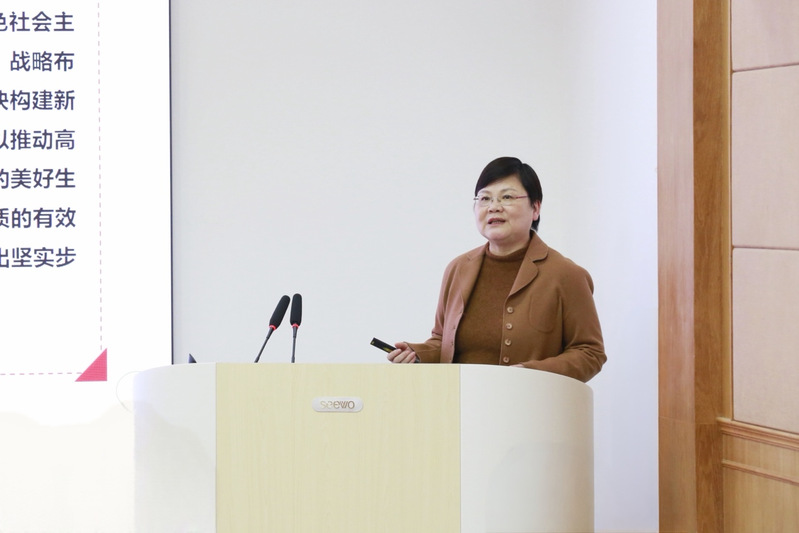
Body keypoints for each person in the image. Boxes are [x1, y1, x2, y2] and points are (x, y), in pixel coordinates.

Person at [387, 156, 606, 382]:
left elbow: (590, 353)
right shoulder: (457, 269)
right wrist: (416, 354)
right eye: (484, 198)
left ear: (535, 208)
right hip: (459, 401)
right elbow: (441, 341)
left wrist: (530, 374)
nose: (493, 207)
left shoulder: (567, 275)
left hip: (528, 401)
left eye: (507, 197)